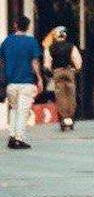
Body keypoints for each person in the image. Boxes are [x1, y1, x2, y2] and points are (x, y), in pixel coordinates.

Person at [1, 16, 43, 149]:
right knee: (23, 111)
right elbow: (34, 62)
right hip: (26, 82)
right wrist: (39, 78)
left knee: (14, 109)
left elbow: (2, 60)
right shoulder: (31, 42)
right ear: (28, 27)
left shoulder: (7, 41)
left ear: (15, 25)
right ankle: (19, 138)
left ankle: (12, 136)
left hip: (11, 83)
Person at [43, 26, 83, 132]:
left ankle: (63, 118)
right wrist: (76, 69)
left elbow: (47, 63)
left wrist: (50, 72)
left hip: (57, 72)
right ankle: (70, 117)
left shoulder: (50, 48)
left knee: (60, 96)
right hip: (69, 71)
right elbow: (78, 61)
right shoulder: (71, 46)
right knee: (71, 94)